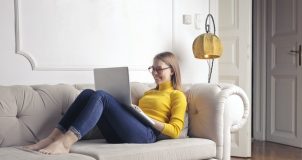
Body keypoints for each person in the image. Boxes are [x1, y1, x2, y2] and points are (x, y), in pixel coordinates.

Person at [23, 52, 187, 155]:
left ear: (172, 70)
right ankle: (52, 138)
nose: (154, 73)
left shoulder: (177, 95)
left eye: (159, 69)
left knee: (101, 95)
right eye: (152, 68)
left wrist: (146, 117)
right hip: (122, 134)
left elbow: (175, 131)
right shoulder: (148, 92)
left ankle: (65, 143)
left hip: (147, 135)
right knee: (88, 93)